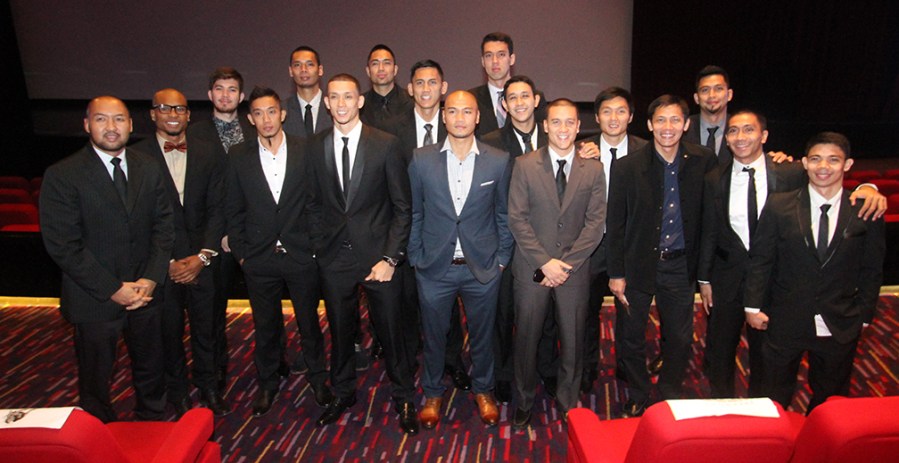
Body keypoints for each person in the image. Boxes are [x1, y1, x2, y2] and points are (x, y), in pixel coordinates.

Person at [698, 111, 886, 399]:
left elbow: (831, 180)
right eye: (733, 131)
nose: (740, 137)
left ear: (764, 136)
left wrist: (868, 188)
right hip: (729, 278)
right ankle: (722, 405)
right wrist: (704, 278)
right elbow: (709, 230)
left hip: (780, 284)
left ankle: (763, 407)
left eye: (749, 130)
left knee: (770, 362)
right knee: (720, 350)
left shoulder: (789, 171)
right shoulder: (714, 178)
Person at [40, 96, 174, 422]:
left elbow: (164, 227)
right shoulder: (63, 174)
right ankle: (99, 433)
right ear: (87, 125)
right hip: (94, 298)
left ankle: (152, 423)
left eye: (118, 120)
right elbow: (64, 245)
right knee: (96, 378)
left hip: (146, 294)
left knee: (152, 368)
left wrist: (150, 279)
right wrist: (113, 288)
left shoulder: (149, 167)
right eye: (102, 120)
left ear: (130, 124)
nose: (111, 128)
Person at [308, 74, 418, 434]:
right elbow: (313, 204)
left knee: (391, 332)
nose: (341, 104)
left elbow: (403, 208)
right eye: (334, 97)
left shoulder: (385, 144)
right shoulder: (315, 145)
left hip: (379, 261)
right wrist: (319, 247)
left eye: (348, 97)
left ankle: (403, 396)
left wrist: (390, 259)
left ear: (360, 101)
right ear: (326, 103)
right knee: (340, 332)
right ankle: (343, 393)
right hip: (334, 259)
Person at [744, 132, 885, 413]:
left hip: (840, 320)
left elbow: (871, 268)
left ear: (847, 165)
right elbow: (762, 259)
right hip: (785, 317)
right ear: (805, 163)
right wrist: (752, 305)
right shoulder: (779, 205)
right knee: (772, 394)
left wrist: (864, 315)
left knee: (831, 398)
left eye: (834, 160)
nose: (824, 166)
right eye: (817, 159)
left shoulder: (864, 211)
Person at [606, 95, 717, 417]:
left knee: (680, 338)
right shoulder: (627, 167)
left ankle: (669, 393)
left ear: (685, 125)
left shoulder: (703, 161)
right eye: (661, 121)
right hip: (637, 266)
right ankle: (639, 391)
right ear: (650, 125)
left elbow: (710, 218)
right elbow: (616, 224)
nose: (667, 127)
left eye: (674, 120)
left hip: (680, 265)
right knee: (630, 337)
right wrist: (616, 273)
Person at [225, 86, 332, 417]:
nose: (266, 119)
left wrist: (315, 246)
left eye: (272, 111)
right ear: (250, 118)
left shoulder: (306, 150)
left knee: (309, 323)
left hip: (302, 255)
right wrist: (243, 254)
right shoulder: (238, 156)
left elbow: (317, 203)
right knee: (266, 325)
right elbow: (234, 209)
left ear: (282, 114)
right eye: (258, 113)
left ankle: (317, 379)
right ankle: (269, 381)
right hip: (259, 259)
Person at [408, 90, 512, 429]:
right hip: (434, 268)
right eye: (452, 111)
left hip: (481, 268)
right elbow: (415, 212)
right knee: (434, 335)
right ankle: (433, 393)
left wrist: (501, 259)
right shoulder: (421, 159)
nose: (460, 118)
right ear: (443, 116)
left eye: (467, 111)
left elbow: (503, 213)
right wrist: (415, 257)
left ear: (477, 117)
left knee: (483, 335)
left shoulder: (498, 160)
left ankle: (484, 390)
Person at [508, 98, 606, 427]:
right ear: (545, 126)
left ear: (579, 127)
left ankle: (568, 400)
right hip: (531, 268)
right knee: (526, 340)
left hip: (574, 271)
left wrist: (566, 264)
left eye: (570, 123)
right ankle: (522, 401)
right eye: (556, 122)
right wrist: (544, 263)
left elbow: (595, 225)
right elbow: (517, 219)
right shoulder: (524, 164)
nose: (563, 129)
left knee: (573, 341)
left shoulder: (593, 169)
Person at [132, 88, 230, 416]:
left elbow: (219, 209)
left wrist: (202, 257)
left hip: (203, 261)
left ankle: (209, 387)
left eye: (180, 109)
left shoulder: (209, 152)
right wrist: (169, 261)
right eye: (165, 108)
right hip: (162, 265)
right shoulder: (137, 157)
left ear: (189, 115)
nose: (173, 114)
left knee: (208, 329)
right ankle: (177, 391)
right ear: (152, 114)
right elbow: (139, 218)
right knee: (168, 332)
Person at [385, 59, 472, 392]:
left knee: (449, 309)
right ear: (410, 89)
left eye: (432, 83)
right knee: (408, 305)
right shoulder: (393, 129)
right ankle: (410, 366)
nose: (425, 89)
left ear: (443, 88)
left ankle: (453, 361)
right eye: (419, 83)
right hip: (407, 233)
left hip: (448, 237)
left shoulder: (457, 123)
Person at [481, 75, 559, 404]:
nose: (519, 103)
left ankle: (548, 367)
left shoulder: (557, 137)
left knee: (548, 312)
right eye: (512, 98)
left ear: (537, 99)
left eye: (525, 96)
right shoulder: (489, 142)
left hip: (546, 244)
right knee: (503, 313)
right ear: (504, 105)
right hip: (505, 244)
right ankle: (503, 372)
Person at [186, 67, 256, 390]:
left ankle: (275, 364)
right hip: (210, 241)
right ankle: (213, 377)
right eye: (219, 89)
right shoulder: (193, 135)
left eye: (232, 90)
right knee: (210, 315)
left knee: (265, 305)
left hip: (250, 236)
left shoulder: (254, 130)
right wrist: (218, 235)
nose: (225, 95)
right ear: (210, 94)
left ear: (241, 98)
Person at [576, 86, 649, 393]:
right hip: (592, 246)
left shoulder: (648, 150)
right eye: (606, 111)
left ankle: (626, 366)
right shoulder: (581, 149)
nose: (613, 117)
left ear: (631, 116)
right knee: (585, 312)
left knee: (630, 315)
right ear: (597, 117)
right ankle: (587, 368)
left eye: (621, 111)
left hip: (632, 248)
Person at [470, 32, 546, 137]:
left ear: (512, 59)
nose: (495, 61)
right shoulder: (470, 99)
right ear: (483, 61)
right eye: (488, 55)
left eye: (501, 54)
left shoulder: (534, 97)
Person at [683, 65, 733, 165]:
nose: (712, 95)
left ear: (729, 94)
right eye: (705, 90)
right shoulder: (682, 128)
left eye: (718, 89)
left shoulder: (740, 128)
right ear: (696, 98)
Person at [360, 44, 413, 131]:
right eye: (375, 64)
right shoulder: (358, 106)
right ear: (368, 71)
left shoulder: (412, 102)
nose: (381, 68)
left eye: (387, 63)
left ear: (395, 70)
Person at [284, 46, 333, 138]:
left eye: (310, 64)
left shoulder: (335, 107)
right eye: (297, 65)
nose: (303, 69)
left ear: (320, 70)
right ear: (291, 71)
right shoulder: (282, 110)